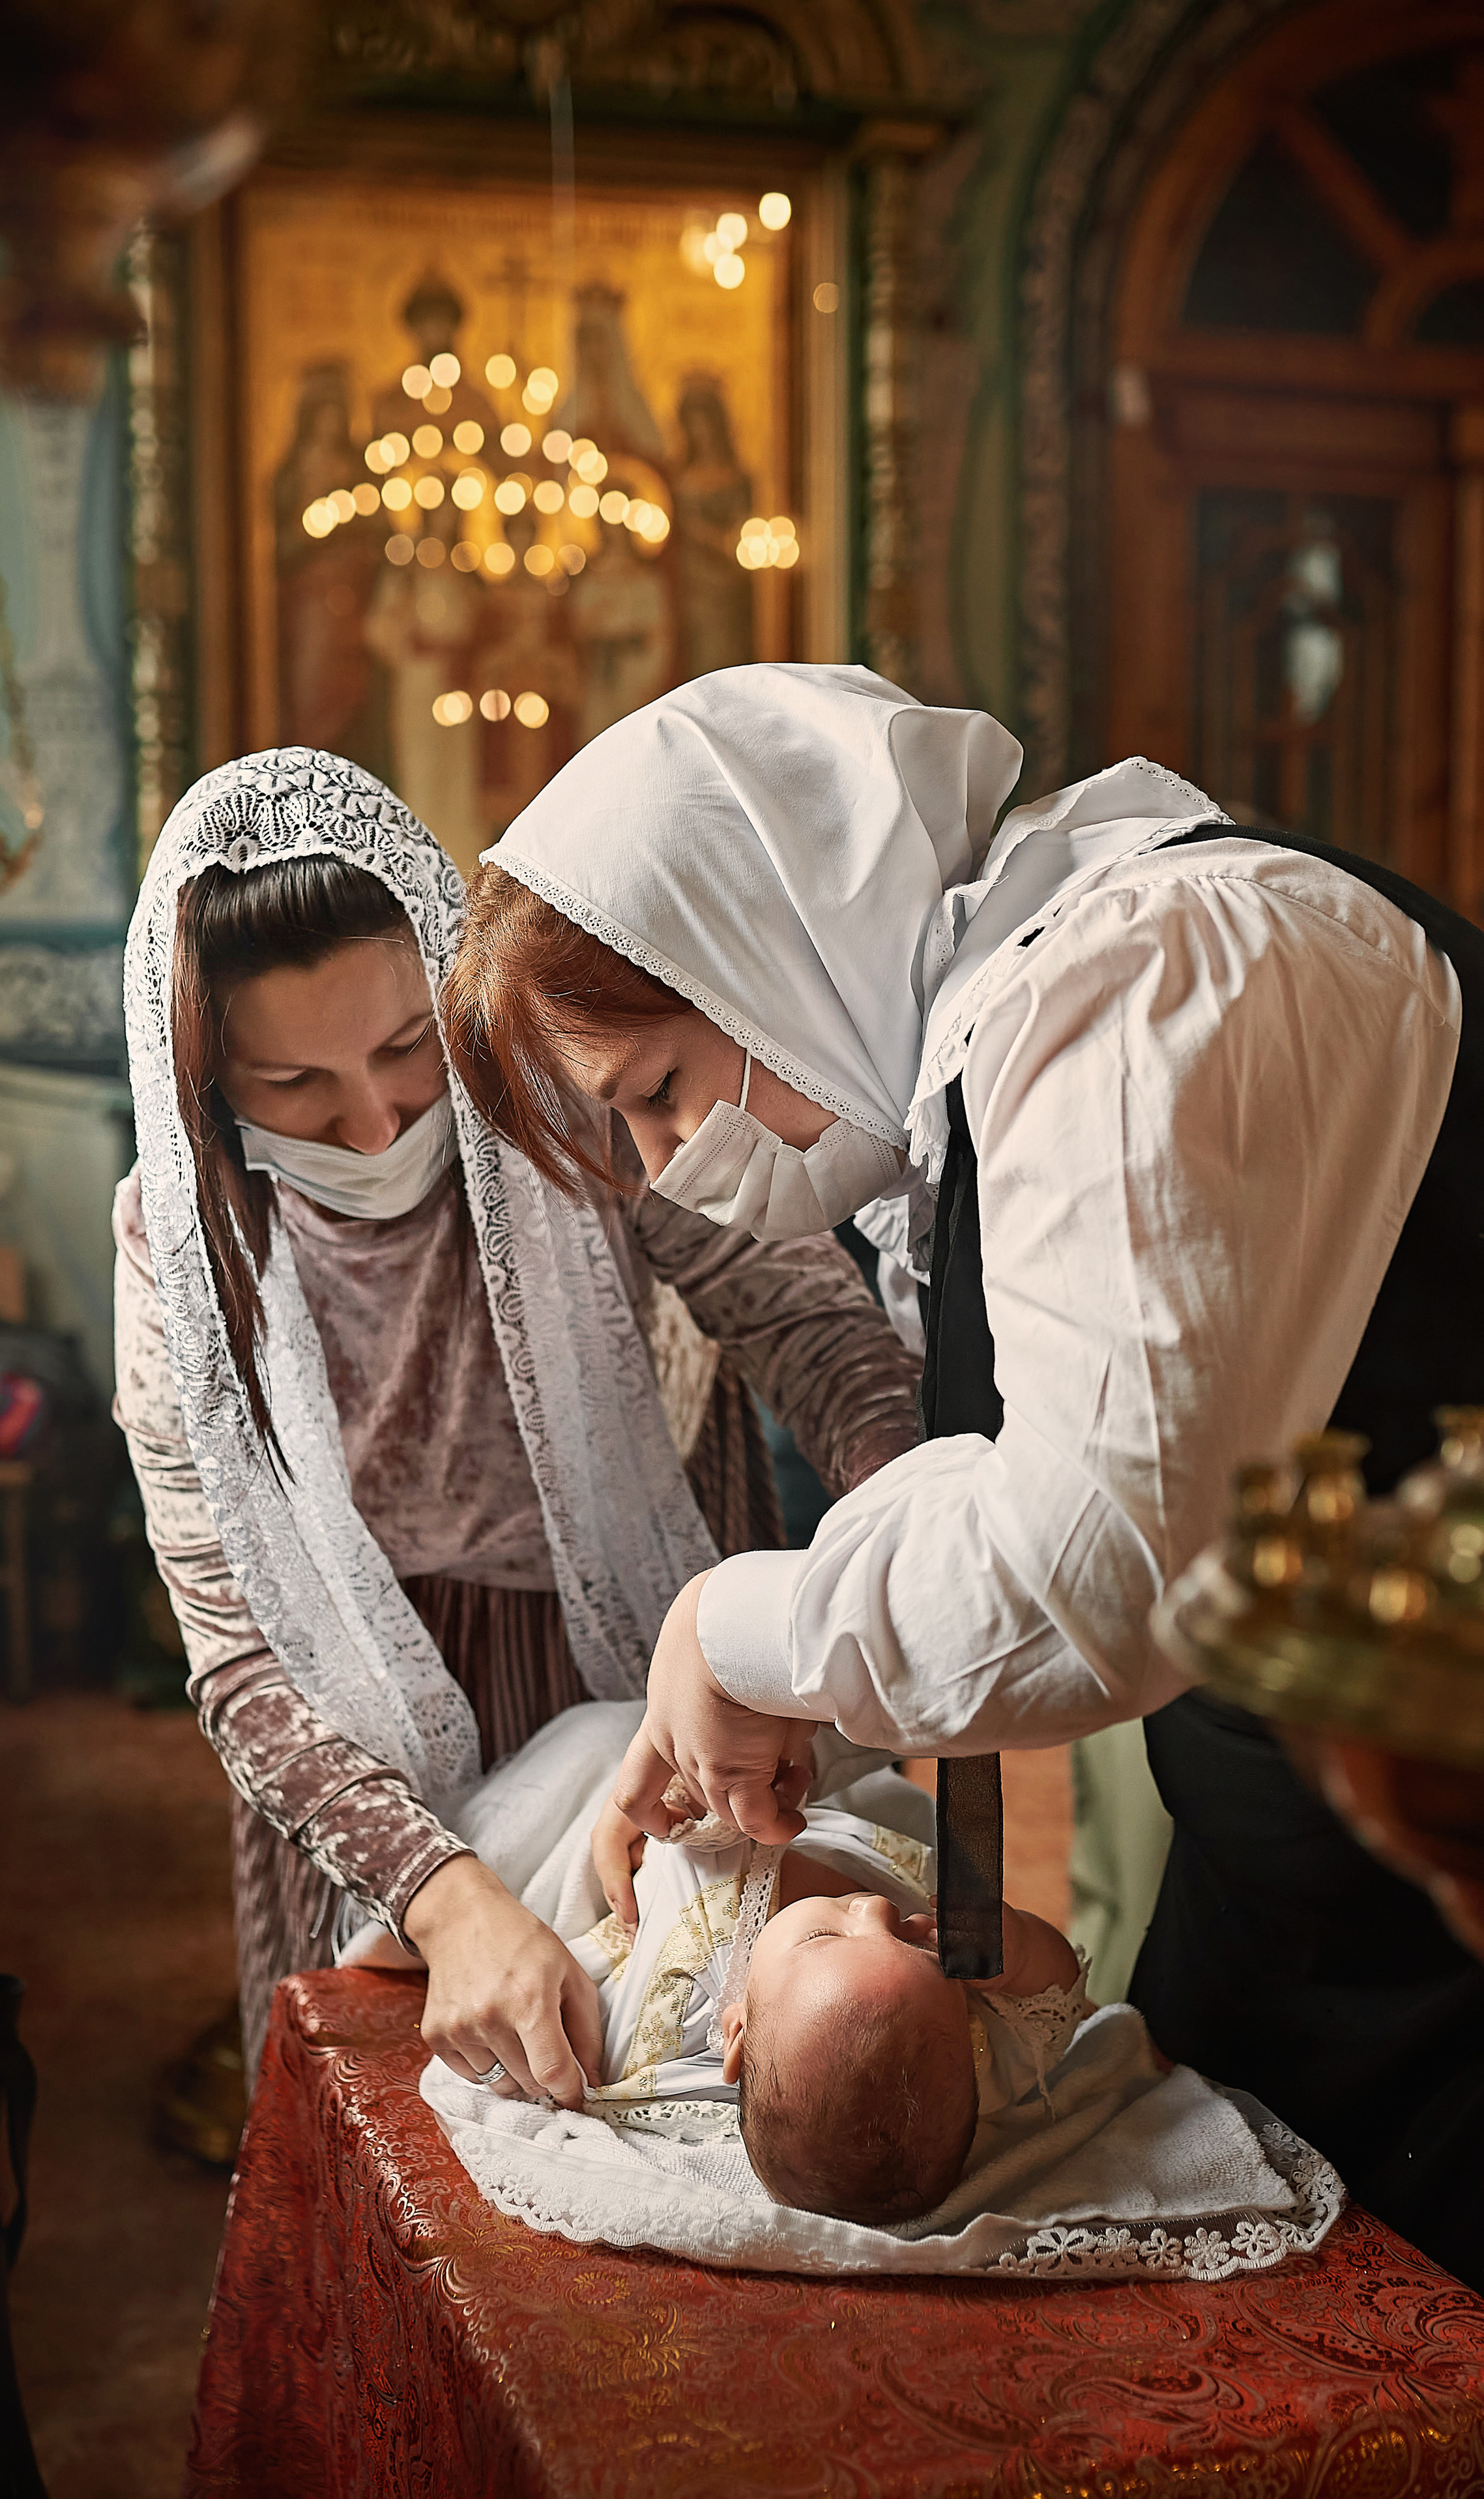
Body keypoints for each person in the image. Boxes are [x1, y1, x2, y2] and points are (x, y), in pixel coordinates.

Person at [440, 661, 1484, 2287]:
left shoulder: (1149, 977)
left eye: (653, 1096)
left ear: (767, 928)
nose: (675, 1177)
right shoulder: (993, 1043)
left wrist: (734, 1623)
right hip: (1306, 1830)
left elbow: (1090, 1559)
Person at [114, 742, 922, 2103]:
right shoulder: (179, 1243)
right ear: (207, 1090)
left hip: (642, 1654)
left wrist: (910, 1530)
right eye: (295, 1090)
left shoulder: (571, 1091)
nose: (371, 1125)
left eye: (399, 1049)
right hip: (360, 1724)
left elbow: (809, 1330)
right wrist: (439, 1897)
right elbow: (242, 1658)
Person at [580, 1794, 1083, 2225]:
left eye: (822, 1938)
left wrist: (682, 1808)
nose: (878, 1909)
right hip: (854, 1811)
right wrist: (1017, 1955)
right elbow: (1055, 2003)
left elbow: (587, 2010)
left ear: (736, 2031)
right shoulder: (975, 2057)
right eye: (918, 1949)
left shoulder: (674, 2005)